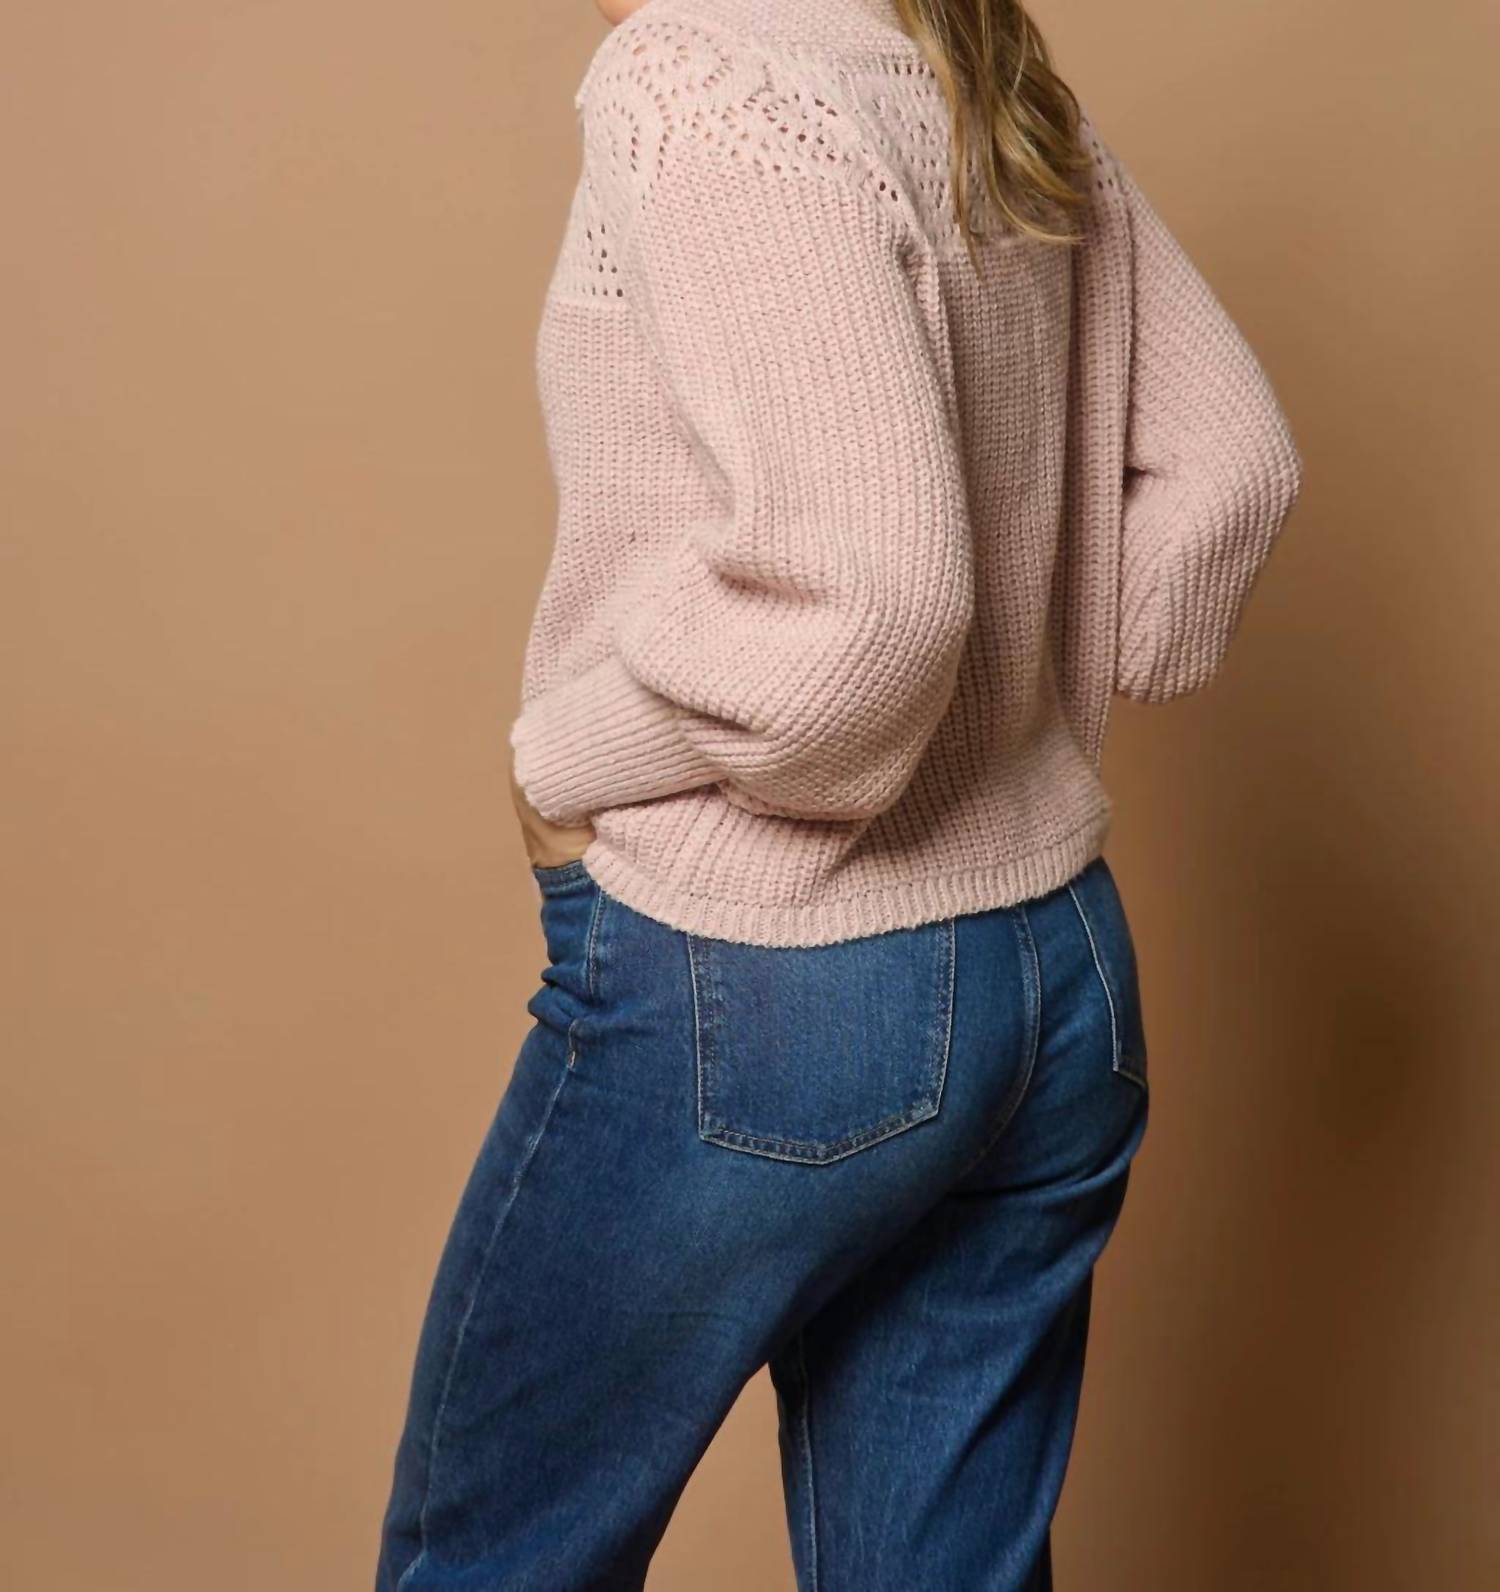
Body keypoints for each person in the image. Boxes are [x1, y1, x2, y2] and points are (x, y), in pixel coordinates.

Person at [375, 0, 1302, 1585]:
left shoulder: (703, 82)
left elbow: (869, 613)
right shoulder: (971, 65)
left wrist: (571, 756)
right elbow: (1236, 462)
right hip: (1055, 979)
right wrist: (1055, 665)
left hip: (777, 981)